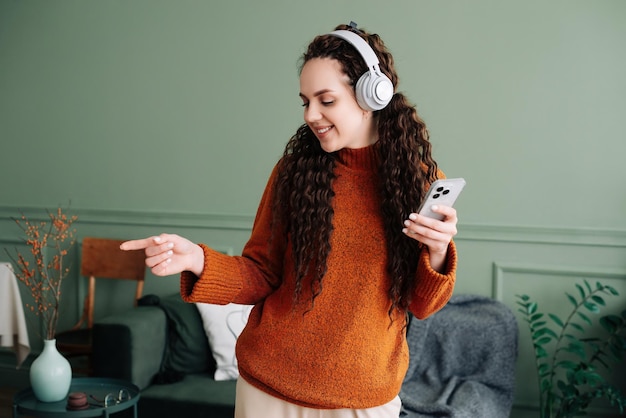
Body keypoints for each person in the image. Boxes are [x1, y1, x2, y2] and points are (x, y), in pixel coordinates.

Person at [121, 22, 459, 418]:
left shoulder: (418, 182)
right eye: (305, 101)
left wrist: (436, 251)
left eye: (326, 100)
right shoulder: (294, 173)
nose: (311, 114)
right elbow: (261, 274)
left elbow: (421, 304)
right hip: (268, 389)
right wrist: (197, 258)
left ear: (372, 95)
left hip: (363, 400)